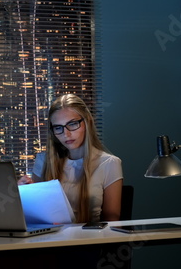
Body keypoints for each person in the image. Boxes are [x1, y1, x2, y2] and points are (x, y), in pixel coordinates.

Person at [20, 93, 123, 223]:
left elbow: (112, 222)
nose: (66, 134)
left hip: (91, 239)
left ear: (87, 123)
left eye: (73, 124)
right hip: (49, 240)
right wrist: (25, 193)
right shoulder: (44, 160)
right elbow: (36, 216)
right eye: (58, 127)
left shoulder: (109, 163)